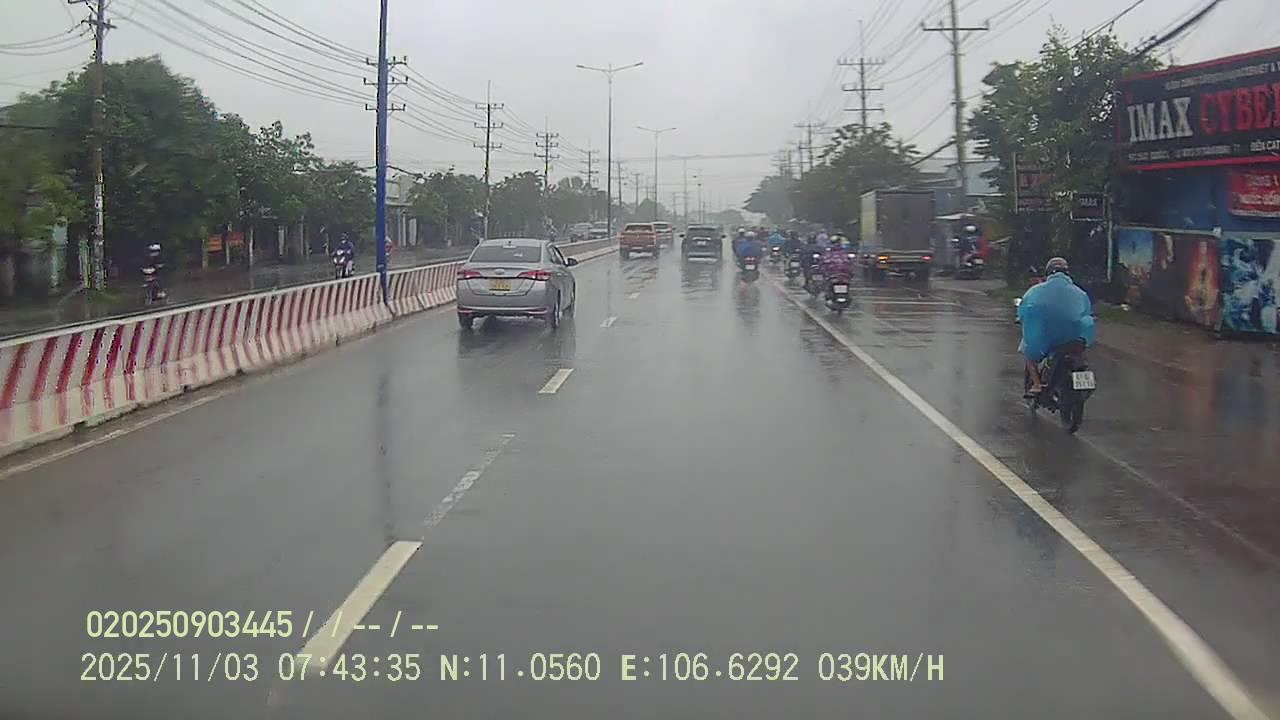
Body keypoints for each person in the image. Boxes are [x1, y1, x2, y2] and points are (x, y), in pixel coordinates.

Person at [1017, 257, 1095, 395]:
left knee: (1029, 354)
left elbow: (1024, 310)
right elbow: (1087, 314)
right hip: (1073, 338)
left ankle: (1037, 384)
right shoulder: (1080, 292)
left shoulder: (1035, 291)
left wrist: (1022, 318)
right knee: (1081, 355)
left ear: (1048, 273)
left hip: (1047, 337)